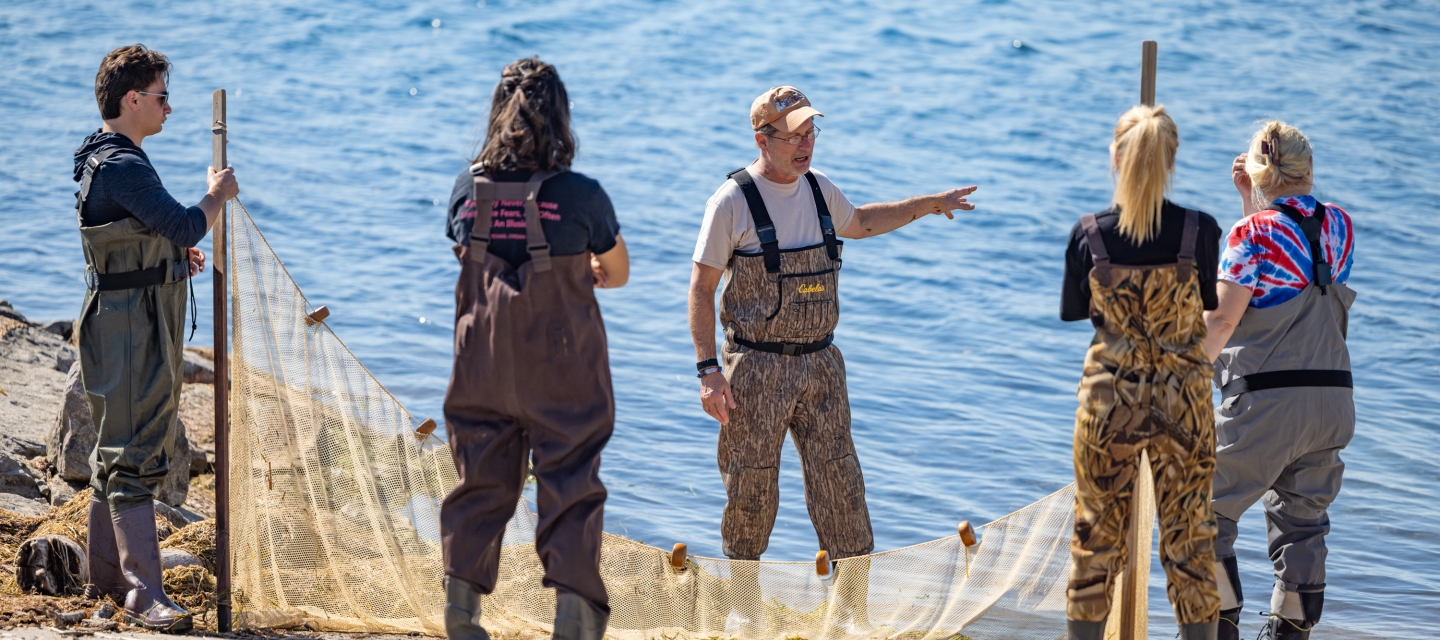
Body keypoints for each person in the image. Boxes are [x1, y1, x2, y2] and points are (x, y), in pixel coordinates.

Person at [688, 86, 976, 567]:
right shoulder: (731, 202)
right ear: (762, 140)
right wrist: (708, 372)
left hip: (823, 367)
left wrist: (928, 204)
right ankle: (739, 611)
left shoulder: (819, 188)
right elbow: (701, 289)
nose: (806, 144)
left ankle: (852, 618)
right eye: (794, 136)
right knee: (750, 495)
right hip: (756, 369)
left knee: (842, 489)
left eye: (810, 132)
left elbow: (860, 222)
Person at [439, 56, 628, 640]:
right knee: (569, 475)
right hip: (561, 362)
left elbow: (465, 256)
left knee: (482, 474)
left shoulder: (468, 187)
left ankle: (462, 614)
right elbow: (616, 272)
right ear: (561, 120)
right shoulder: (581, 195)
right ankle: (572, 618)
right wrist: (583, 264)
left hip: (483, 360)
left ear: (498, 115)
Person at [73, 44, 238, 632]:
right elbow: (186, 221)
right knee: (135, 450)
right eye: (163, 96)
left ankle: (109, 583)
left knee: (112, 453)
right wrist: (217, 191)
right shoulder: (123, 165)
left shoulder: (107, 156)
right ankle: (144, 593)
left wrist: (169, 258)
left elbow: (144, 237)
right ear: (132, 99)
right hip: (130, 329)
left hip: (120, 316)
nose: (171, 107)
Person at [1058, 105, 1222, 640]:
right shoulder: (1200, 232)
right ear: (1171, 160)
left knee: (1096, 538)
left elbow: (1077, 310)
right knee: (1191, 540)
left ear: (1115, 158)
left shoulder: (1090, 236)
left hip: (1110, 403)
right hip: (1186, 401)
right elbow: (1205, 302)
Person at [1203, 121, 1356, 640]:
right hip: (1332, 402)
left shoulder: (1251, 235)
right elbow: (1290, 271)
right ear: (1308, 169)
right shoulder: (1340, 226)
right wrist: (1254, 199)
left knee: (1202, 509)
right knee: (1303, 523)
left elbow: (1225, 319)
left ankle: (1216, 625)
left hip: (1267, 403)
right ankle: (1290, 631)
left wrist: (1180, 374)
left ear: (1257, 169)